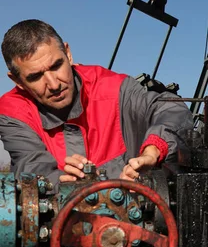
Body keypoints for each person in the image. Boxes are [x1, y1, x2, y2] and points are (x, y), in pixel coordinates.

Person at [0, 19, 194, 187]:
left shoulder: (115, 89)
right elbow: (34, 174)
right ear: (17, 81)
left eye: (56, 66)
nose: (53, 84)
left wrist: (153, 151)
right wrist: (71, 184)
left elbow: (171, 108)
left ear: (68, 54)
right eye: (35, 76)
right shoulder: (12, 112)